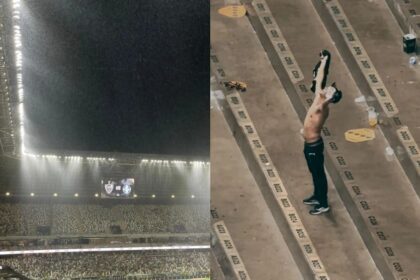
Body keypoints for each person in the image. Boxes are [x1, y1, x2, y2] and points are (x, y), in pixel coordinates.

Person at [302, 50, 342, 215]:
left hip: (314, 146)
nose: (326, 88)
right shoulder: (319, 95)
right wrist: (325, 60)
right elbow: (320, 76)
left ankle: (323, 203)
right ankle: (317, 196)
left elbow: (322, 105)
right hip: (308, 144)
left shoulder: (323, 108)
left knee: (319, 174)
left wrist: (330, 97)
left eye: (329, 90)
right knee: (314, 172)